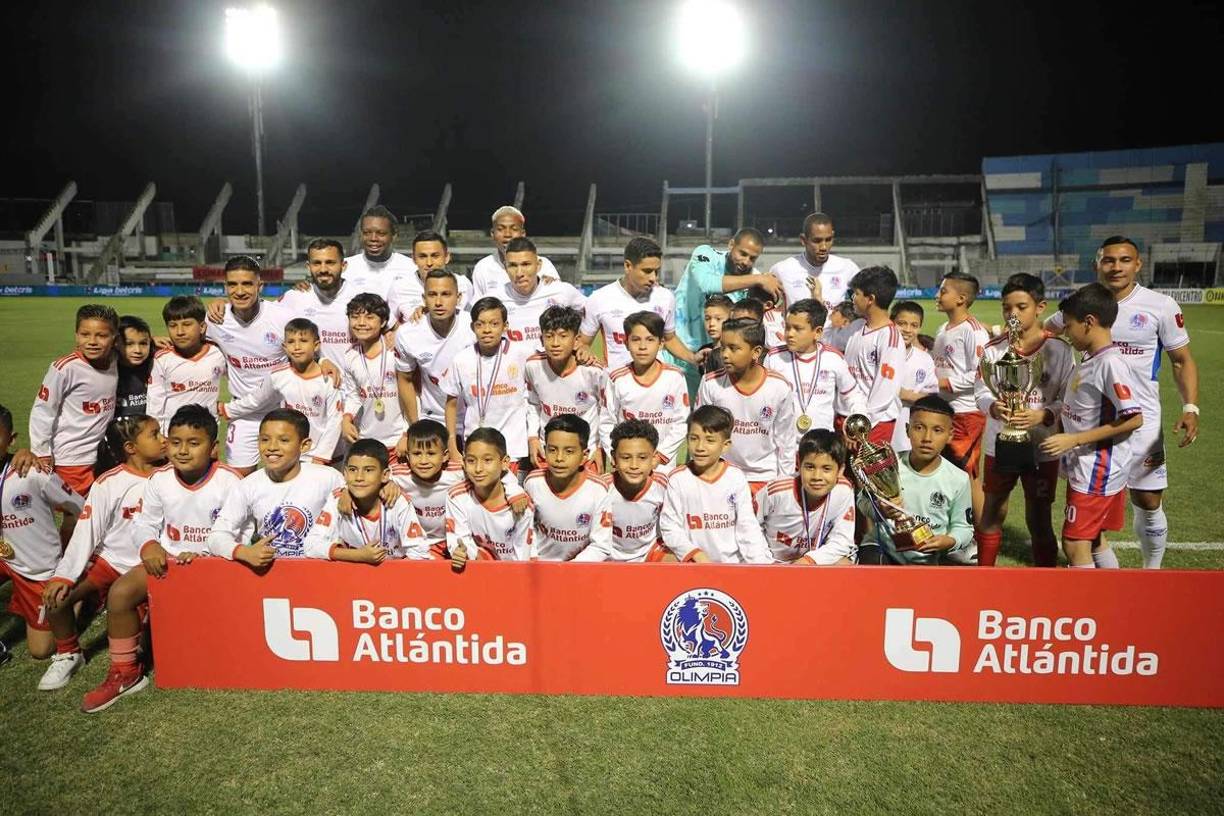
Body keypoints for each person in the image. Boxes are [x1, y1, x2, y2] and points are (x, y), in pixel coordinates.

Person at [1046, 236, 1199, 570]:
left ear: (1138, 264)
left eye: (1124, 260)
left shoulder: (1160, 306)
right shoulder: (1081, 303)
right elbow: (1048, 331)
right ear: (1097, 264)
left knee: (1146, 499)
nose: (1116, 267)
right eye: (1109, 260)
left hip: (1138, 424)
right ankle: (1109, 587)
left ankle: (1151, 570)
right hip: (1094, 424)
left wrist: (1190, 407)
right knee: (1095, 523)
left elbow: (1180, 360)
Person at [41, 415, 163, 694]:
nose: (163, 439)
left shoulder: (169, 476)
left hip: (145, 567)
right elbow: (87, 531)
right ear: (131, 448)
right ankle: (69, 653)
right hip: (109, 561)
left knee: (145, 649)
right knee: (57, 599)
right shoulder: (109, 483)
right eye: (155, 435)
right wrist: (64, 575)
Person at [1039, 283, 1143, 570]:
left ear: (1089, 322)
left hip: (1097, 469)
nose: (1067, 332)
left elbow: (1134, 418)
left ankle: (1087, 608)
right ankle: (1113, 600)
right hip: (1090, 465)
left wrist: (1074, 440)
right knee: (1095, 539)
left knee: (1074, 543)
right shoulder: (1092, 357)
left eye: (1070, 326)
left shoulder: (1111, 364)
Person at [973, 274, 1074, 568]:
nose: (1012, 314)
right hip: (999, 442)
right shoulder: (993, 349)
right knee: (992, 512)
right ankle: (983, 580)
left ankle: (1044, 585)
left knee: (1039, 517)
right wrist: (992, 407)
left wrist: (1043, 414)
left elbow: (1069, 398)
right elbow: (980, 388)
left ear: (1040, 307)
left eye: (1021, 307)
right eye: (1007, 308)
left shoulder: (1059, 349)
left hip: (1042, 445)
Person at [0, 404, 84, 666]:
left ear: (11, 439)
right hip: (5, 560)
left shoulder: (32, 473)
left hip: (38, 568)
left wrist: (73, 547)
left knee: (41, 649)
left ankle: (79, 591)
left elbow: (80, 508)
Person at [858, 396, 974, 565]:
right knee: (871, 558)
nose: (927, 437)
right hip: (885, 549)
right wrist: (880, 510)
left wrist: (949, 541)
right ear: (907, 429)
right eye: (919, 428)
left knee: (960, 568)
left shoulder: (958, 479)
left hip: (930, 555)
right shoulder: (887, 466)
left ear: (950, 435)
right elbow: (862, 501)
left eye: (937, 430)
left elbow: (964, 527)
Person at [205, 256, 294, 474]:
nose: (240, 291)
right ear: (225, 287)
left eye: (247, 283)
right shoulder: (215, 320)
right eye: (233, 284)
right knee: (239, 478)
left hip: (281, 410)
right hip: (243, 414)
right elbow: (189, 341)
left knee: (282, 475)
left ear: (259, 286)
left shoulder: (282, 318)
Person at [390, 419, 525, 558]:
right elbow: (377, 477)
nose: (424, 461)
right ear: (408, 456)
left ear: (445, 456)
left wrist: (514, 491)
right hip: (418, 544)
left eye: (431, 453)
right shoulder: (397, 475)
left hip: (452, 540)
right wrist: (386, 485)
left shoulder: (457, 472)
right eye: (417, 453)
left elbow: (496, 473)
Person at [671, 228, 782, 393]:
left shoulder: (756, 280)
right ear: (731, 244)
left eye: (753, 258)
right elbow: (706, 283)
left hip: (715, 361)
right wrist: (758, 279)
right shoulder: (707, 254)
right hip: (678, 354)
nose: (746, 261)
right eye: (742, 253)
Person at [220, 318, 343, 466]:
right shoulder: (278, 375)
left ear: (316, 346)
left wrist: (321, 457)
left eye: (303, 341)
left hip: (326, 457)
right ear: (284, 347)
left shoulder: (328, 379)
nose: (297, 347)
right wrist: (227, 409)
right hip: (292, 453)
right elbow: (257, 399)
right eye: (291, 342)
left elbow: (335, 421)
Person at [657, 405, 772, 563]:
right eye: (694, 438)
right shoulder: (678, 479)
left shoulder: (735, 477)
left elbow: (747, 526)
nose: (700, 447)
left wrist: (759, 565)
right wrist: (695, 554)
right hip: (695, 565)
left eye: (710, 440)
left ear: (725, 445)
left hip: (732, 566)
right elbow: (670, 527)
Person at [696, 318, 797, 494]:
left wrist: (784, 483)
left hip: (766, 478)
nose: (725, 354)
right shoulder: (710, 383)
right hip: (723, 476)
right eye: (723, 347)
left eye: (734, 348)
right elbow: (701, 434)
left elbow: (786, 440)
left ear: (756, 351)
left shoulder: (779, 387)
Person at [29, 304, 120, 497]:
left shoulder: (114, 359)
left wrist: (154, 341)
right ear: (76, 335)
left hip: (102, 454)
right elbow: (43, 411)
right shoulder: (65, 368)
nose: (92, 342)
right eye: (84, 334)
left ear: (115, 339)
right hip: (71, 458)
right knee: (77, 516)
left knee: (99, 514)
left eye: (101, 336)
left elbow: (137, 345)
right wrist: (41, 452)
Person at [441, 297, 536, 470]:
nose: (487, 330)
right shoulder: (462, 360)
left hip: (512, 448)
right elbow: (451, 404)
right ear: (472, 327)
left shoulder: (522, 354)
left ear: (505, 326)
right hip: (475, 445)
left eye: (494, 324)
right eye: (480, 324)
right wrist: (452, 445)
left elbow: (552, 360)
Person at [579, 236, 696, 370]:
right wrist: (584, 352)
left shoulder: (665, 297)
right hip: (616, 385)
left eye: (656, 271)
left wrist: (693, 358)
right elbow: (583, 343)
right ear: (628, 266)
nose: (653, 278)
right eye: (647, 271)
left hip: (656, 384)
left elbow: (669, 339)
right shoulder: (599, 299)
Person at [305, 439, 430, 563]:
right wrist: (357, 556)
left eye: (368, 470)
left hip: (393, 576)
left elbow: (419, 551)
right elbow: (311, 546)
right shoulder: (337, 499)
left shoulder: (397, 501)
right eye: (353, 470)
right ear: (345, 473)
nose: (359, 477)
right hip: (351, 575)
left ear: (385, 475)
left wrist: (387, 574)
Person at [932, 272, 991, 519]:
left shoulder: (974, 331)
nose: (937, 295)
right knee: (943, 472)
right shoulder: (942, 328)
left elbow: (981, 373)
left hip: (966, 413)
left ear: (961, 298)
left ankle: (981, 530)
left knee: (967, 474)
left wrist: (946, 382)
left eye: (943, 291)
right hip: (943, 410)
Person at [754, 429, 857, 565]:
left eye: (826, 469)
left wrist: (808, 561)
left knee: (843, 564)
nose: (817, 477)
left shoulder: (844, 490)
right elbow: (749, 527)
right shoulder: (777, 491)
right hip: (774, 563)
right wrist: (765, 562)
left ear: (841, 470)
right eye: (810, 467)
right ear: (799, 463)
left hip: (812, 563)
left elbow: (842, 540)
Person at [602, 312, 690, 469]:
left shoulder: (675, 377)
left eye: (650, 339)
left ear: (661, 343)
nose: (642, 347)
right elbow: (607, 422)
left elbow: (681, 422)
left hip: (663, 466)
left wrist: (660, 456)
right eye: (636, 340)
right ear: (626, 343)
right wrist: (616, 455)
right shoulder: (617, 379)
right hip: (629, 465)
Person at [572, 419, 669, 562]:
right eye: (626, 457)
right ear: (613, 459)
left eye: (642, 457)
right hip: (606, 555)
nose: (634, 465)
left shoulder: (664, 485)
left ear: (654, 459)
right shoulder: (601, 489)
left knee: (679, 560)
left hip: (649, 553)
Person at [525, 306, 608, 471]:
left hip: (586, 452)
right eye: (549, 336)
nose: (555, 343)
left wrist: (600, 447)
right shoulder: (532, 366)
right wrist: (532, 437)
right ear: (541, 340)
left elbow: (606, 411)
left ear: (576, 340)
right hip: (547, 450)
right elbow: (533, 404)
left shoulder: (594, 371)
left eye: (563, 336)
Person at [393, 269, 475, 434]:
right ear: (424, 299)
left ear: (458, 298)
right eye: (432, 295)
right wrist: (415, 425)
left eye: (446, 294)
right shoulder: (408, 333)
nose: (438, 302)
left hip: (473, 419)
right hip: (432, 420)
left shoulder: (474, 327)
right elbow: (405, 380)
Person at [523, 416, 614, 561]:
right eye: (552, 450)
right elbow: (525, 529)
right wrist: (534, 558)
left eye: (569, 451)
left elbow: (600, 545)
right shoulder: (533, 483)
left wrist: (570, 571)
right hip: (540, 567)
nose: (559, 458)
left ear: (584, 456)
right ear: (544, 450)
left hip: (579, 571)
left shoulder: (598, 490)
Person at [765, 298, 863, 433]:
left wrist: (859, 415)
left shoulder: (833, 358)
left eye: (797, 329)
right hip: (783, 444)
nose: (790, 334)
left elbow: (852, 394)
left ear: (817, 332)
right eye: (787, 327)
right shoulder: (774, 357)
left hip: (821, 445)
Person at [446, 427, 535, 565]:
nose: (478, 469)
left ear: (505, 462)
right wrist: (460, 554)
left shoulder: (522, 505)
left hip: (512, 578)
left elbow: (522, 560)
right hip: (476, 573)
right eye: (471, 461)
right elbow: (460, 543)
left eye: (487, 460)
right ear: (463, 462)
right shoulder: (456, 496)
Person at [843, 267, 906, 445]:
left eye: (855, 293)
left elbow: (885, 390)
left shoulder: (890, 338)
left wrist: (862, 424)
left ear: (870, 299)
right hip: (850, 418)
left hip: (873, 424)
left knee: (868, 473)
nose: (852, 299)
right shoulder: (856, 327)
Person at [146, 296, 226, 433]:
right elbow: (154, 406)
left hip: (207, 438)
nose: (180, 332)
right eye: (173, 326)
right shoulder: (161, 358)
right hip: (171, 438)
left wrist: (222, 301)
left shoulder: (218, 353)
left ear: (202, 327)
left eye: (187, 324)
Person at [276, 238, 361, 365]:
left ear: (343, 266)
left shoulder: (361, 298)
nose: (323, 269)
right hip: (312, 382)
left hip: (354, 383)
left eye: (330, 262)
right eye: (316, 263)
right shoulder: (294, 297)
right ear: (308, 266)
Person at [339, 293, 402, 455]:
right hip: (367, 440)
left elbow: (414, 395)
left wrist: (408, 433)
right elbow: (353, 395)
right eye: (355, 317)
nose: (361, 323)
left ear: (384, 322)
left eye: (369, 317)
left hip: (399, 440)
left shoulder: (395, 351)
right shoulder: (350, 356)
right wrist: (346, 419)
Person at [769, 212, 861, 322]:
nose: (823, 247)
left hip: (834, 339)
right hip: (796, 338)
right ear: (803, 240)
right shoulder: (782, 269)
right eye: (817, 241)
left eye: (828, 240)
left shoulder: (848, 268)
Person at [497, 237, 587, 347]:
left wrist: (583, 343)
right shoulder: (495, 298)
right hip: (512, 365)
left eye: (526, 264)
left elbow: (594, 312)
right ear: (505, 268)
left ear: (538, 265)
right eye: (513, 265)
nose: (519, 273)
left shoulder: (561, 291)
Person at [470, 205, 561, 298]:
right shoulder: (483, 268)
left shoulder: (544, 265)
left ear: (523, 234)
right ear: (492, 234)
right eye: (501, 229)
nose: (507, 234)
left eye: (514, 229)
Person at [386, 230, 474, 324]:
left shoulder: (463, 284)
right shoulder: (399, 287)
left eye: (435, 256)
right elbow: (390, 326)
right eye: (422, 256)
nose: (429, 263)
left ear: (447, 257)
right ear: (414, 259)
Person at [888, 301, 939, 453]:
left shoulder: (924, 359)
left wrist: (908, 396)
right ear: (891, 323)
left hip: (906, 431)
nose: (907, 330)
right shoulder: (881, 353)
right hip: (880, 427)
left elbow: (932, 396)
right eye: (902, 324)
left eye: (914, 325)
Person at [343, 205, 418, 301]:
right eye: (367, 232)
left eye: (381, 233)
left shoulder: (411, 268)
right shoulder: (345, 268)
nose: (373, 238)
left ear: (394, 236)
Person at [114, 315, 153, 417]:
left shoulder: (155, 364)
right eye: (129, 344)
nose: (138, 350)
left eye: (143, 343)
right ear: (116, 343)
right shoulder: (107, 367)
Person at [699, 293, 734, 374]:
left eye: (718, 319)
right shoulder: (703, 352)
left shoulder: (734, 352)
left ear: (731, 319)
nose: (711, 324)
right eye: (707, 318)